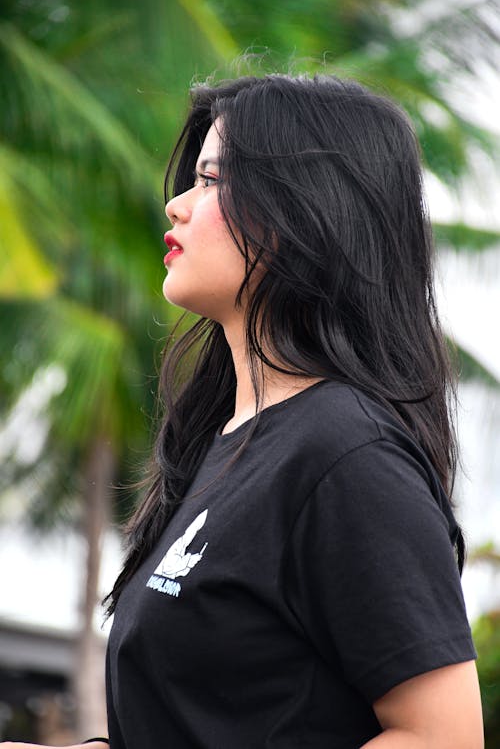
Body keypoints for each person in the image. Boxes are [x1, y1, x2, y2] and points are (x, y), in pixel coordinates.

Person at [2, 73, 483, 749]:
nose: (176, 205)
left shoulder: (346, 452)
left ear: (304, 210)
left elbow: (441, 737)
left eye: (210, 180)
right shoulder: (225, 446)